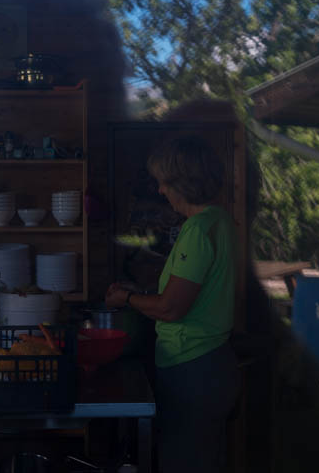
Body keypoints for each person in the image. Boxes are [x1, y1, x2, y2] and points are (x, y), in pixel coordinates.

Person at [106, 134, 240, 473]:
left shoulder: (197, 229)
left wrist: (127, 298)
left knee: (183, 463)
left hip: (192, 368)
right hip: (213, 364)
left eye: (164, 183)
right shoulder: (221, 221)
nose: (161, 191)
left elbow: (170, 309)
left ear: (184, 182)